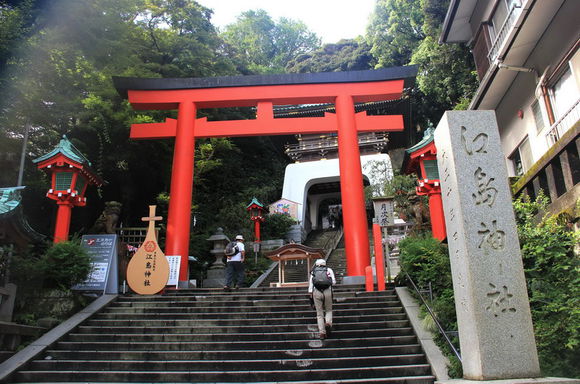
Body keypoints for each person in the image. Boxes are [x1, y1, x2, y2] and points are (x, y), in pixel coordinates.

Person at [308, 258, 336, 339]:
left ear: (316, 264)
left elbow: (311, 284)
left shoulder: (314, 271)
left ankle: (322, 333)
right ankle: (328, 323)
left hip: (317, 292)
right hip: (327, 291)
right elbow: (333, 281)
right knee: (328, 310)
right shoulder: (329, 270)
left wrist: (310, 294)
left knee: (319, 314)